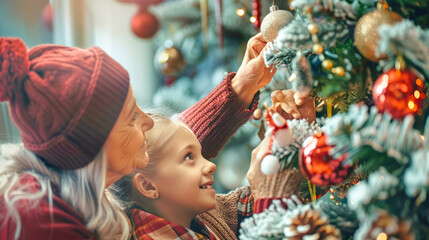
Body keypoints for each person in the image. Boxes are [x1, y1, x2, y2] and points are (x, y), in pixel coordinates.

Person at [0, 32, 306, 239]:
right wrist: (272, 193)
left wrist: (241, 87)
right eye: (131, 117)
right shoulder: (41, 224)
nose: (147, 121)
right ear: (94, 149)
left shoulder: (78, 178)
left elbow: (163, 148)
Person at [108, 109, 305, 240]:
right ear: (148, 186)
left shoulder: (204, 216)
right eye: (188, 157)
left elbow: (243, 206)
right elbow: (266, 199)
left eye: (201, 154)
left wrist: (295, 135)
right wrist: (269, 199)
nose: (211, 165)